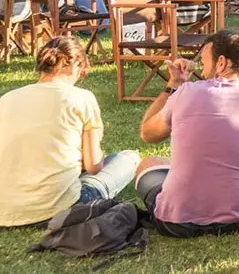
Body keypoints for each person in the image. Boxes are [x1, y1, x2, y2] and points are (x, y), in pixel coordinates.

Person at [134, 30, 239, 236]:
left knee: (148, 164)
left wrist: (174, 84)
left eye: (205, 61)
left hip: (175, 221)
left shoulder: (185, 92)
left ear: (221, 62)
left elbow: (148, 133)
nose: (203, 69)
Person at [0, 37, 139, 227]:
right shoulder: (81, 98)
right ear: (76, 66)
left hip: (6, 209)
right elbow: (93, 166)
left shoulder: (7, 99)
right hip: (57, 207)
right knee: (129, 158)